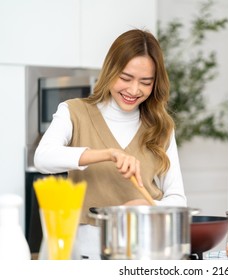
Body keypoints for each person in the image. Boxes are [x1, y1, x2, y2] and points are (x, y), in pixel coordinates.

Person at [34, 29, 187, 259]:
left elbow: (178, 200)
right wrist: (107, 154)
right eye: (126, 78)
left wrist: (147, 207)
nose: (134, 90)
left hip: (145, 252)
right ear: (110, 71)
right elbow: (43, 158)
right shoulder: (74, 112)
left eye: (145, 82)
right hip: (87, 251)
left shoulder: (161, 127)